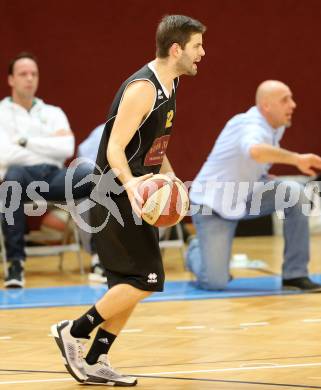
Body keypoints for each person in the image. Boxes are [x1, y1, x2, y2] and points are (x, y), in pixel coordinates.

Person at [51, 15, 206, 386]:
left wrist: (170, 179)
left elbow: (155, 147)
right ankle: (74, 330)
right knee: (145, 278)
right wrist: (135, 186)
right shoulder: (143, 88)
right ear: (176, 49)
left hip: (134, 195)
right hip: (115, 195)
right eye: (197, 45)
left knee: (129, 283)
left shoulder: (172, 83)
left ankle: (96, 358)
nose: (203, 52)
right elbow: (115, 149)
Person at [186, 80, 321, 291]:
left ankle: (295, 274)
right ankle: (195, 250)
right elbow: (256, 151)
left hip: (245, 195)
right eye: (285, 100)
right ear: (266, 106)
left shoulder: (275, 128)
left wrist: (263, 176)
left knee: (295, 193)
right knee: (214, 282)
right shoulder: (248, 124)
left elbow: (250, 161)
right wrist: (297, 159)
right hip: (211, 206)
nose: (293, 105)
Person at [0, 52, 92, 288]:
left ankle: (100, 258)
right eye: (23, 74)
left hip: (54, 176)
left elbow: (66, 148)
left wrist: (24, 142)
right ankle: (15, 264)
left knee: (92, 175)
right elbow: (5, 154)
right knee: (11, 180)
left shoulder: (53, 112)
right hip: (20, 177)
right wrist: (47, 145)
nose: (29, 79)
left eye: (34, 74)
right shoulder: (2, 113)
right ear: (11, 79)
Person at [77, 123, 107, 283]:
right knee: (97, 184)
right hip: (101, 182)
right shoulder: (101, 132)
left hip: (134, 184)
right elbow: (86, 168)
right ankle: (99, 257)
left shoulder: (148, 131)